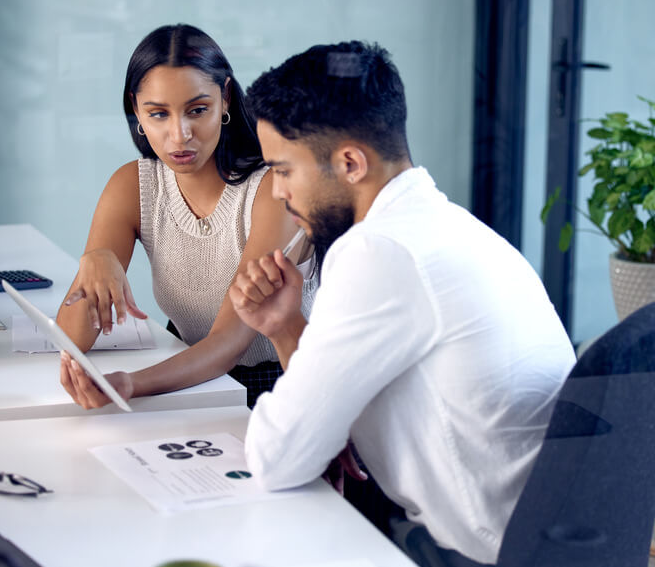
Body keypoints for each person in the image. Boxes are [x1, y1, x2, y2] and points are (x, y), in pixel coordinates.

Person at [229, 41, 576, 567]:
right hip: (546, 531)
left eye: (283, 170)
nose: (277, 193)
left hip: (480, 552)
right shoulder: (446, 227)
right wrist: (283, 326)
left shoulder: (379, 252)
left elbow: (278, 458)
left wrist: (310, 433)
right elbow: (326, 413)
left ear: (349, 162)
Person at [57, 24, 316, 409]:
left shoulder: (273, 189)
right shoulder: (133, 185)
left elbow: (229, 344)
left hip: (282, 384)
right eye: (158, 114)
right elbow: (72, 342)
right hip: (189, 377)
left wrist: (131, 383)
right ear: (136, 111)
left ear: (225, 99)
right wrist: (94, 260)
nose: (179, 136)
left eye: (197, 110)